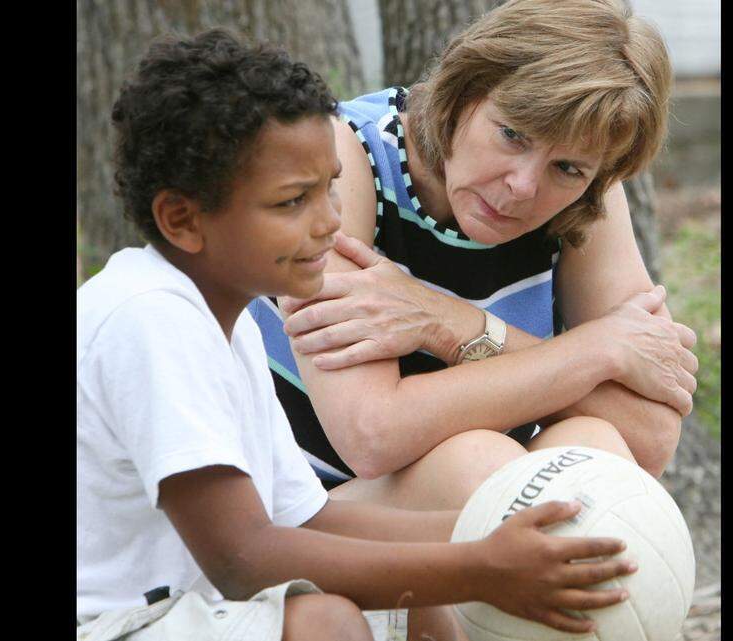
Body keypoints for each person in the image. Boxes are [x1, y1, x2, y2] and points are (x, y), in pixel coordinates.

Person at [77, 28, 638, 641]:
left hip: (198, 607)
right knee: (326, 622)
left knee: (412, 597)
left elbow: (309, 519)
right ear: (183, 220)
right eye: (292, 202)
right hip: (116, 621)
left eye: (329, 190)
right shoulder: (151, 318)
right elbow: (243, 559)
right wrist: (478, 565)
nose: (328, 223)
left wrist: (495, 531)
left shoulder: (226, 327)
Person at [247, 0, 699, 509]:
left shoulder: (582, 191)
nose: (523, 186)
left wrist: (451, 323)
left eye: (568, 168)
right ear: (463, 92)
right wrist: (598, 351)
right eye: (512, 135)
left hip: (461, 512)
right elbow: (371, 434)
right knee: (479, 465)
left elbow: (648, 437)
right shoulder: (341, 159)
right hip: (294, 521)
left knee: (594, 455)